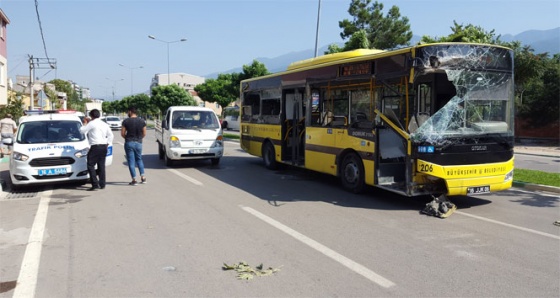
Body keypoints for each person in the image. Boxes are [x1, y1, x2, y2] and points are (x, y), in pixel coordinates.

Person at [80, 109, 114, 191]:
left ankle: (95, 184)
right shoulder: (104, 124)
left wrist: (84, 123)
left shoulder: (92, 123)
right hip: (103, 146)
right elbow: (111, 135)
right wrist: (107, 143)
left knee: (90, 165)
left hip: (95, 146)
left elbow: (82, 131)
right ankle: (102, 184)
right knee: (101, 165)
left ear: (91, 116)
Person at [121, 106, 146, 186]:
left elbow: (122, 133)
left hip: (129, 143)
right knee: (139, 159)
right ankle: (143, 177)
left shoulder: (126, 121)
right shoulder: (142, 121)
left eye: (128, 112)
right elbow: (144, 133)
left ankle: (134, 179)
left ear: (130, 112)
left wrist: (128, 138)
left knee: (131, 161)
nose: (127, 113)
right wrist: (139, 138)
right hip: (138, 143)